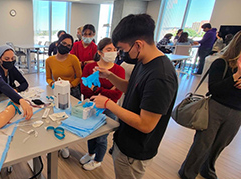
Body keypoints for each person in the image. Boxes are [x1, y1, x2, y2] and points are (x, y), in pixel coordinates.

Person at [91, 14, 178, 178]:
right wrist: (109, 75)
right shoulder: (144, 62)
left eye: (123, 49)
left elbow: (146, 124)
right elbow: (132, 89)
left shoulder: (160, 76)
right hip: (124, 140)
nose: (122, 54)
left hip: (135, 150)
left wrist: (109, 103)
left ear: (138, 44)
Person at [178, 31, 241, 179]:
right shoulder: (221, 63)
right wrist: (235, 77)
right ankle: (188, 172)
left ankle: (207, 169)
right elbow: (214, 89)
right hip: (216, 108)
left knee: (221, 144)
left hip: (237, 112)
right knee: (203, 143)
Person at [79, 38, 125, 170]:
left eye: (115, 50)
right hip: (91, 106)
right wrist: (106, 91)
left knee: (101, 137)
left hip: (109, 108)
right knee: (90, 133)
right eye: (109, 49)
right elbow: (83, 89)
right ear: (100, 52)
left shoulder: (118, 71)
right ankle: (90, 153)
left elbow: (117, 95)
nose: (113, 52)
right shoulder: (89, 67)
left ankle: (98, 160)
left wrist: (95, 89)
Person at [0, 45, 33, 120]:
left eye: (12, 58)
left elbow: (24, 83)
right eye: (6, 59)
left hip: (3, 99)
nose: (10, 61)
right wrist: (21, 100)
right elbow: (2, 85)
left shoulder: (11, 68)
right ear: (0, 59)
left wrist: (16, 90)